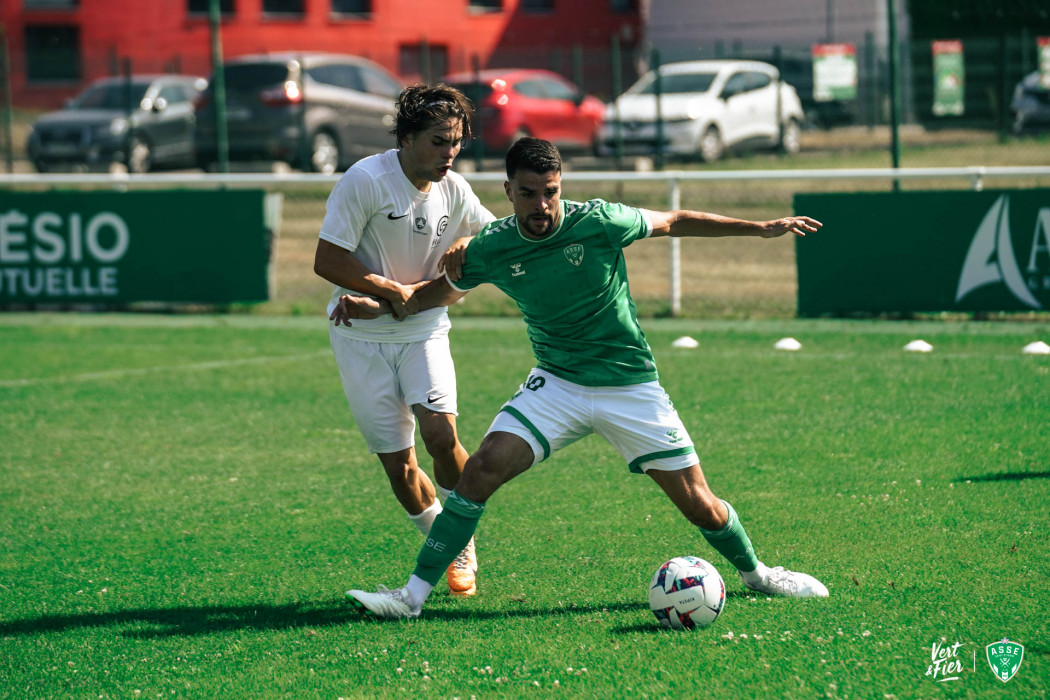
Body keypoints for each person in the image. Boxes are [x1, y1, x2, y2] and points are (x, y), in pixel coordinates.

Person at [336, 137, 828, 619]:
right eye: (528, 193)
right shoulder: (491, 247)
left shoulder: (599, 221)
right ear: (508, 192)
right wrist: (375, 304)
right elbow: (428, 296)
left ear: (560, 186)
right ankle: (412, 596)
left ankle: (758, 574)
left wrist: (760, 228)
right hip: (557, 385)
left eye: (550, 191)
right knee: (480, 470)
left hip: (630, 385)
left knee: (700, 505)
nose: (542, 204)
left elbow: (674, 220)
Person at [313, 84, 496, 597]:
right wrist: (390, 292)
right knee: (400, 465)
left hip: (423, 333)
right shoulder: (366, 180)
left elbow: (494, 240)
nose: (450, 153)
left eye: (457, 142)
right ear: (408, 138)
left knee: (442, 437)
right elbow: (327, 260)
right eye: (439, 142)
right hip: (359, 338)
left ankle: (461, 542)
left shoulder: (455, 190)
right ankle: (443, 532)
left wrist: (468, 241)